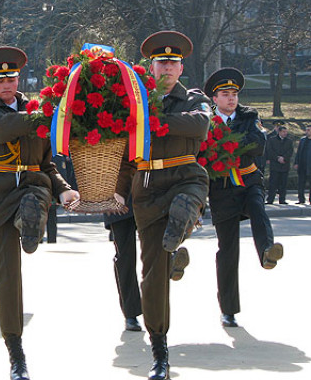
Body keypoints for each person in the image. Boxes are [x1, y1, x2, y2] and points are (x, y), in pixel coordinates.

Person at [0, 46, 79, 380]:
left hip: (32, 186)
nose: (7, 85)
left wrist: (63, 188)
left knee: (33, 198)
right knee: (7, 275)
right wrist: (48, 114)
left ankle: (30, 221)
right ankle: (16, 352)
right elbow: (0, 128)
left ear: (18, 79)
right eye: (0, 80)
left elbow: (46, 163)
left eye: (11, 79)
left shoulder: (36, 108)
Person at [116, 31, 211, 380]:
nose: (167, 67)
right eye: (161, 62)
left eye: (173, 62)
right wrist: (118, 192)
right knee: (153, 274)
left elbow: (200, 125)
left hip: (186, 177)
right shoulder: (136, 101)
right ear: (151, 67)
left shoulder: (195, 99)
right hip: (147, 187)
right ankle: (160, 352)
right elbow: (124, 151)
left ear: (181, 67)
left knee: (185, 205)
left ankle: (181, 224)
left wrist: (153, 122)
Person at [204, 67, 284, 328]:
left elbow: (258, 144)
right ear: (215, 98)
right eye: (225, 94)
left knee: (258, 208)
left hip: (248, 180)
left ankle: (267, 251)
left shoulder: (249, 115)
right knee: (228, 249)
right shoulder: (206, 119)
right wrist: (233, 146)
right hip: (221, 189)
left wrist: (224, 146)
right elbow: (203, 150)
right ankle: (228, 309)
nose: (231, 99)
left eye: (234, 94)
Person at [104, 194, 142, 332]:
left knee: (155, 249)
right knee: (125, 257)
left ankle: (169, 258)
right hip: (118, 197)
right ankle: (131, 313)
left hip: (148, 195)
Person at [265, 125, 293, 204]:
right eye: (283, 132)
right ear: (279, 132)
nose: (285, 133)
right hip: (275, 165)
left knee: (283, 184)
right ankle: (270, 199)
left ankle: (282, 199)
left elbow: (290, 151)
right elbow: (269, 150)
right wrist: (277, 158)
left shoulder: (289, 141)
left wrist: (284, 158)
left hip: (284, 165)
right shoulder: (272, 140)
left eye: (286, 132)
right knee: (273, 183)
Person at [294, 124, 311, 204]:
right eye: (306, 130)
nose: (307, 132)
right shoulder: (303, 140)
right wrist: (296, 162)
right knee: (301, 183)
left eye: (309, 130)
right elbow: (298, 152)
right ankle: (301, 199)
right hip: (302, 165)